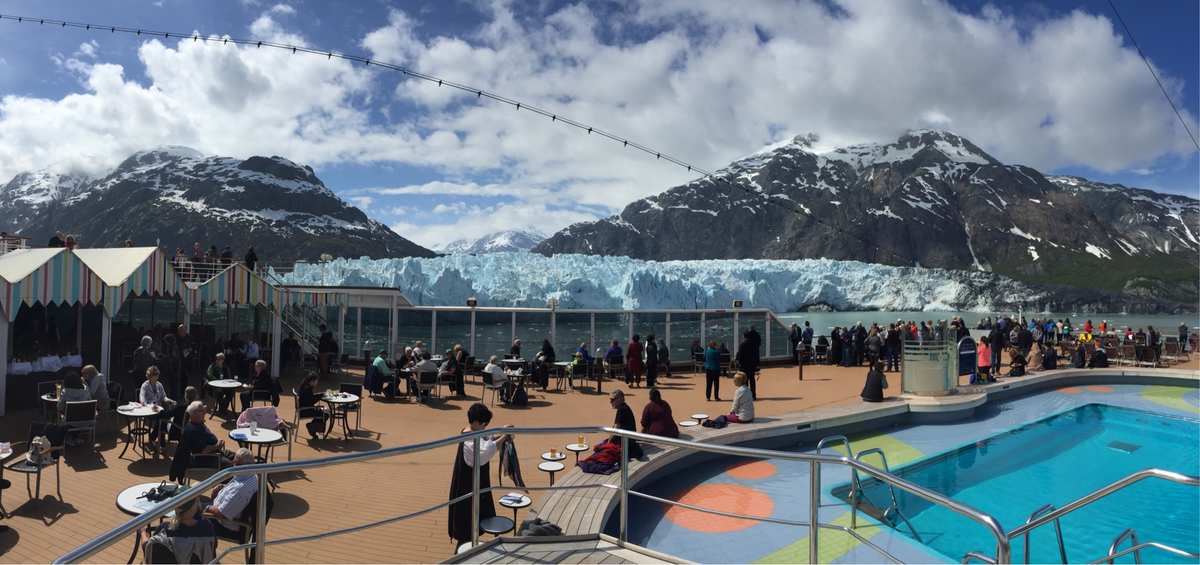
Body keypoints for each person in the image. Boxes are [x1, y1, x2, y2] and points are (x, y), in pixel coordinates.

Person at [447, 403, 511, 547]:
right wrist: (504, 437)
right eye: (484, 424)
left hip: (474, 486)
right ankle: (463, 551)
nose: (485, 427)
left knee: (472, 520)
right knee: (466, 524)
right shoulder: (470, 441)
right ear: (476, 422)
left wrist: (502, 432)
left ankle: (470, 545)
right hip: (467, 487)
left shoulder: (472, 431)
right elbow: (485, 452)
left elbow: (487, 440)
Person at [203, 449, 259, 539]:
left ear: (242, 466)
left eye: (235, 463)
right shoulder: (251, 475)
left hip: (224, 525)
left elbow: (222, 513)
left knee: (187, 516)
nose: (233, 464)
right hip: (220, 511)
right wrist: (223, 488)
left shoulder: (240, 489)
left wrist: (204, 508)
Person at [180, 401, 233, 467]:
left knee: (238, 456)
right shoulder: (193, 430)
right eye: (201, 411)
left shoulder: (198, 423)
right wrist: (217, 446)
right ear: (194, 414)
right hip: (205, 458)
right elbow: (203, 451)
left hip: (215, 452)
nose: (204, 412)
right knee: (231, 465)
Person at [139, 366, 174, 452]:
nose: (157, 377)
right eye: (155, 375)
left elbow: (164, 397)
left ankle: (153, 437)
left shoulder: (159, 385)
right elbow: (142, 399)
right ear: (150, 376)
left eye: (157, 375)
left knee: (162, 417)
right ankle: (161, 440)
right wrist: (149, 406)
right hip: (148, 411)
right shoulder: (145, 385)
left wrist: (169, 400)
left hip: (158, 410)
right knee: (163, 417)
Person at [608, 390, 643, 458]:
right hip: (629, 440)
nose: (611, 402)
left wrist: (608, 443)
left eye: (613, 400)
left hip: (626, 443)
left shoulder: (622, 410)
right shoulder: (625, 407)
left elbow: (615, 428)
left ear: (620, 399)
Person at [297, 372, 329, 438]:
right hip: (306, 410)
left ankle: (312, 427)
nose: (316, 383)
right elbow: (311, 401)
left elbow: (310, 398)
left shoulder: (305, 386)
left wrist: (321, 394)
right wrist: (320, 396)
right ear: (312, 381)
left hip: (304, 408)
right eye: (316, 381)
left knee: (324, 412)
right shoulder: (307, 389)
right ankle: (311, 427)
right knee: (325, 414)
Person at [735, 331, 759, 399]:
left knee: (745, 381)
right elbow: (757, 355)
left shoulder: (742, 344)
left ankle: (746, 395)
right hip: (752, 365)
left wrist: (738, 362)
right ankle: (753, 395)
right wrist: (756, 364)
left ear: (744, 336)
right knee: (752, 380)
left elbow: (740, 355)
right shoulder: (754, 344)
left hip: (744, 365)